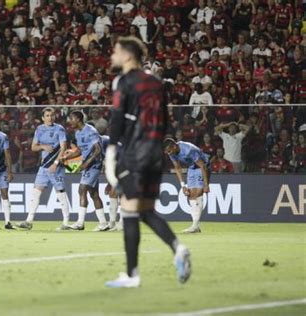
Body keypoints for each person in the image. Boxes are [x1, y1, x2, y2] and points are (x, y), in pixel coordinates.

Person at [104, 36, 191, 288]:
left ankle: (132, 275)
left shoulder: (122, 81)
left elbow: (117, 120)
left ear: (128, 56)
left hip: (135, 153)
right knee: (144, 211)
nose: (112, 56)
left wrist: (111, 152)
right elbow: (165, 121)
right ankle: (178, 248)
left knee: (129, 211)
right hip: (155, 153)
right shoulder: (157, 83)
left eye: (116, 52)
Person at [17, 107, 70, 230]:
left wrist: (55, 163)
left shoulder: (59, 129)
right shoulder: (39, 129)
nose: (50, 118)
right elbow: (33, 147)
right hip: (44, 166)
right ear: (43, 118)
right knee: (36, 192)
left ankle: (66, 222)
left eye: (52, 115)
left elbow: (63, 147)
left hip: (56, 166)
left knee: (60, 193)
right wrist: (42, 146)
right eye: (47, 115)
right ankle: (29, 221)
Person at [62, 110, 108, 231]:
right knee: (94, 194)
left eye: (71, 119)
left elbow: (97, 150)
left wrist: (87, 163)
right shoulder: (78, 133)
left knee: (81, 189)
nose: (69, 121)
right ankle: (103, 223)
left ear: (78, 119)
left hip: (94, 165)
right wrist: (67, 157)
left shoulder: (91, 131)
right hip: (87, 166)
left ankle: (80, 223)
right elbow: (80, 151)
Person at [164, 138, 210, 233]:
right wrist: (183, 185)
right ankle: (195, 225)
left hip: (202, 167)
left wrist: (206, 184)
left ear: (174, 146)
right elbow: (177, 168)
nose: (169, 153)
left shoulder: (188, 150)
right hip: (191, 168)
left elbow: (202, 166)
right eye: (167, 152)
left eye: (169, 151)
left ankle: (195, 225)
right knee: (190, 195)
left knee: (197, 193)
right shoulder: (172, 153)